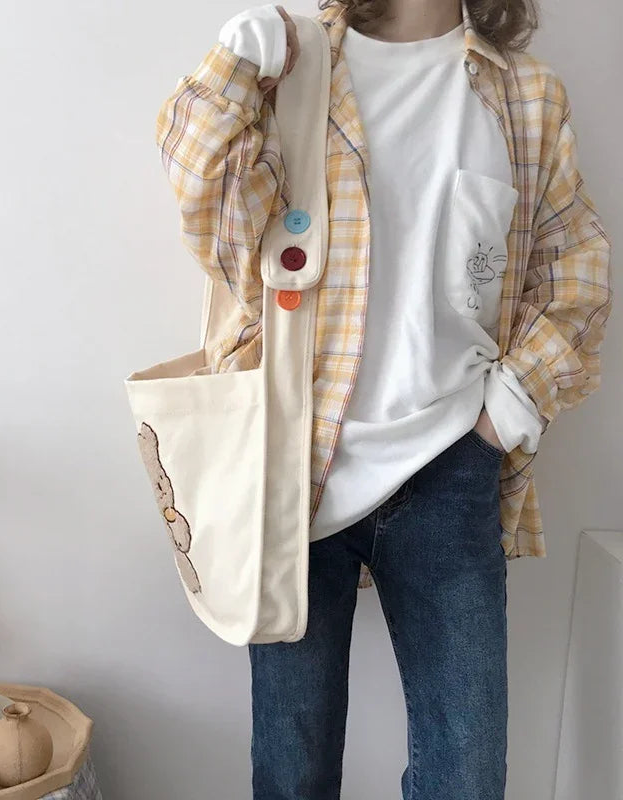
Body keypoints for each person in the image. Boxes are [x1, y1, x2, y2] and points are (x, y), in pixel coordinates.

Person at [154, 0, 613, 797]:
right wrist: (232, 70)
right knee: (291, 776)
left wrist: (505, 412)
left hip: (450, 470)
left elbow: (576, 273)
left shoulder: (525, 97)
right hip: (295, 472)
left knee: (464, 779)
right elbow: (217, 232)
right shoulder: (294, 67)